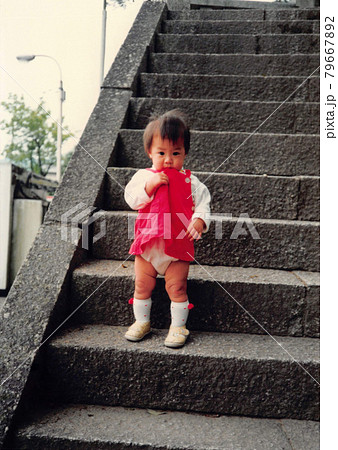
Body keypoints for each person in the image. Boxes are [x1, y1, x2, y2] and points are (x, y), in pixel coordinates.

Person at [123, 110, 211, 348]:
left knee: (177, 287)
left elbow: (203, 203)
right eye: (161, 153)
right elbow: (132, 200)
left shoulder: (190, 181)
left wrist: (199, 220)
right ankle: (142, 321)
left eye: (176, 153)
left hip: (177, 246)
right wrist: (149, 188)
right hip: (148, 246)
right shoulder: (144, 176)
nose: (168, 159)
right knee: (142, 286)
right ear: (149, 152)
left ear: (185, 153)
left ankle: (178, 326)